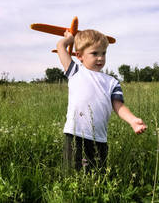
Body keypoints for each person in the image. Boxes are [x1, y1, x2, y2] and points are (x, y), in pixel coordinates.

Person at [57, 29, 147, 172]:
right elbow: (60, 47)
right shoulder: (75, 71)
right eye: (94, 53)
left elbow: (119, 106)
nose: (100, 58)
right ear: (79, 55)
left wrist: (132, 120)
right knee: (73, 175)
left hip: (99, 138)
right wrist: (69, 39)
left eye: (103, 53)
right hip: (75, 135)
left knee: (98, 174)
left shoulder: (111, 82)